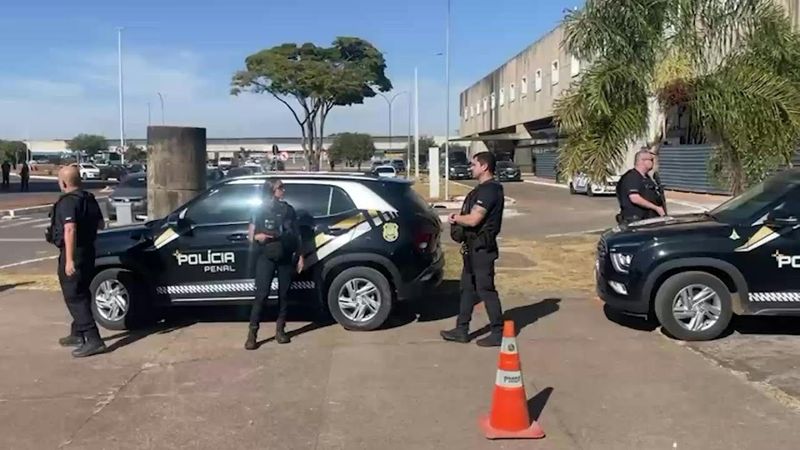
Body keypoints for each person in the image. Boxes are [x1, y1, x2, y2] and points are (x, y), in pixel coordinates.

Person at [441, 151, 505, 347]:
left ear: (484, 167)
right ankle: (462, 329)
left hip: (482, 250)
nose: (470, 167)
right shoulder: (481, 190)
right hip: (472, 249)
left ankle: (498, 332)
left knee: (485, 290)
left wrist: (454, 218)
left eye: (473, 164)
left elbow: (475, 219)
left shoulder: (490, 190)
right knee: (467, 289)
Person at [48, 165, 106, 357]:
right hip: (89, 250)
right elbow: (100, 224)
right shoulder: (88, 198)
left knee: (74, 295)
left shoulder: (68, 202)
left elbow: (70, 229)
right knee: (83, 291)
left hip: (74, 251)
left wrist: (69, 260)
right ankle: (77, 333)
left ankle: (93, 338)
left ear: (63, 182)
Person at [245, 179, 304, 350]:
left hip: (285, 256)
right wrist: (259, 237)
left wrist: (300, 256)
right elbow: (250, 235)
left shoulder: (288, 209)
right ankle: (252, 334)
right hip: (266, 256)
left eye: (283, 187)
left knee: (284, 295)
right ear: (271, 190)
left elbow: (296, 234)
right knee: (261, 296)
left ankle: (280, 330)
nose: (283, 190)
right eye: (280, 188)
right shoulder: (259, 210)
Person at [615, 149, 666, 224]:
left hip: (648, 220)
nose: (653, 162)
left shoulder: (647, 177)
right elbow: (635, 198)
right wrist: (656, 208)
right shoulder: (632, 177)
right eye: (651, 160)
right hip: (636, 221)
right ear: (642, 161)